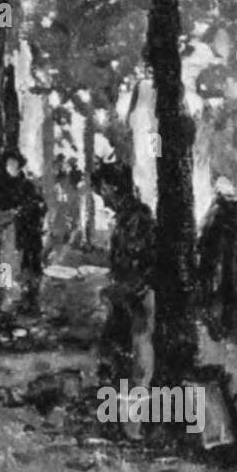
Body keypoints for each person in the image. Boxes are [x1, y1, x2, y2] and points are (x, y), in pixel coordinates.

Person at [93, 161, 155, 391]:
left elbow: (137, 261)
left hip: (138, 294)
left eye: (103, 189)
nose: (102, 195)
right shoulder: (126, 216)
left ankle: (134, 399)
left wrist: (120, 288)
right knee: (115, 344)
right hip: (129, 293)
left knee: (137, 346)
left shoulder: (136, 217)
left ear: (113, 187)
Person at [197, 177, 237, 343]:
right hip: (233, 261)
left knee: (218, 294)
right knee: (230, 295)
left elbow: (205, 233)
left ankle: (221, 328)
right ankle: (230, 328)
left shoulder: (217, 210)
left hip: (221, 261)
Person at [0, 150, 46, 314]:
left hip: (28, 230)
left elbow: (40, 204)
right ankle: (5, 300)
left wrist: (28, 210)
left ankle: (30, 299)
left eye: (16, 164)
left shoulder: (28, 184)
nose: (13, 167)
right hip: (7, 230)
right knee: (5, 263)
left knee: (29, 265)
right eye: (10, 163)